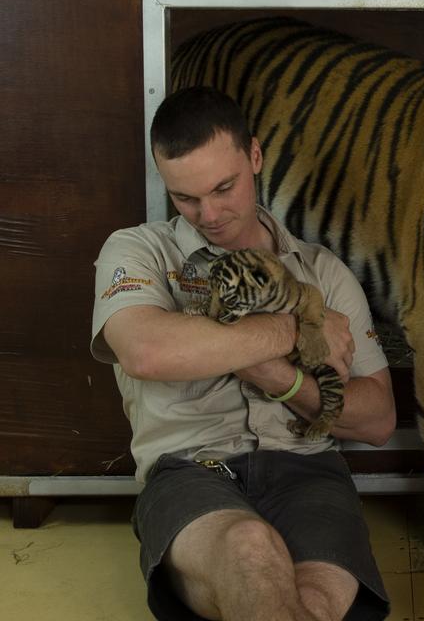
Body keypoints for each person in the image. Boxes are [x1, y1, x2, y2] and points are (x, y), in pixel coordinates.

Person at [91, 86, 396, 621]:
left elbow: (377, 419)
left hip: (309, 471)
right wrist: (294, 326)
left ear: (254, 156)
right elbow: (144, 351)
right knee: (251, 552)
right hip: (189, 471)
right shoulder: (137, 250)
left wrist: (276, 375)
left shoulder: (322, 271)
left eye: (224, 187)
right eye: (185, 197)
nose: (208, 213)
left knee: (316, 601)